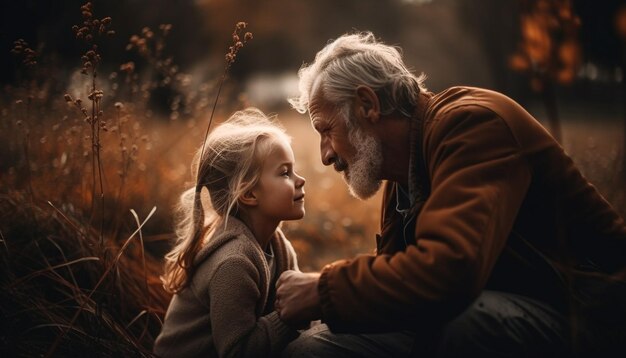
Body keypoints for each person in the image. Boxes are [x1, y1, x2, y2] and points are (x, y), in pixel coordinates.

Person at [274, 32, 626, 357]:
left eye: (327, 130)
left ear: (368, 104)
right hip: (499, 307)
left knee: (466, 323)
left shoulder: (474, 125)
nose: (326, 155)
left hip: (587, 317)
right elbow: (398, 288)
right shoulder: (402, 170)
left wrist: (325, 291)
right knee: (313, 348)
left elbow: (450, 272)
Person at [154, 108, 306, 357]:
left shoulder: (279, 247)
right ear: (248, 194)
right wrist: (290, 318)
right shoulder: (233, 263)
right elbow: (238, 351)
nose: (300, 180)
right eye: (285, 173)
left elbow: (299, 305)